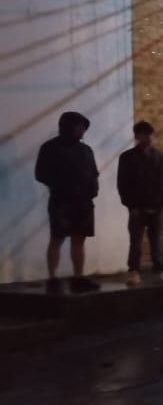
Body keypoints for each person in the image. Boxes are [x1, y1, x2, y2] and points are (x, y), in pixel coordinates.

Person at [34, 111, 101, 293]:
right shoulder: (50, 147)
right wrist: (61, 185)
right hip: (61, 201)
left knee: (79, 240)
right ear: (68, 126)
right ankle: (53, 278)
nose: (82, 131)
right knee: (57, 238)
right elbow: (40, 173)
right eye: (79, 127)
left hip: (84, 202)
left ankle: (78, 277)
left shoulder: (86, 150)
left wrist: (93, 189)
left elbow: (94, 172)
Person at [116, 121, 163, 286]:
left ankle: (159, 271)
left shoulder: (159, 156)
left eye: (150, 134)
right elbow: (123, 184)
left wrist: (160, 204)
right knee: (136, 241)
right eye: (144, 134)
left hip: (156, 206)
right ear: (137, 136)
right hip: (137, 207)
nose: (148, 138)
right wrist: (131, 206)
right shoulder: (127, 157)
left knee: (156, 241)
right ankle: (134, 271)